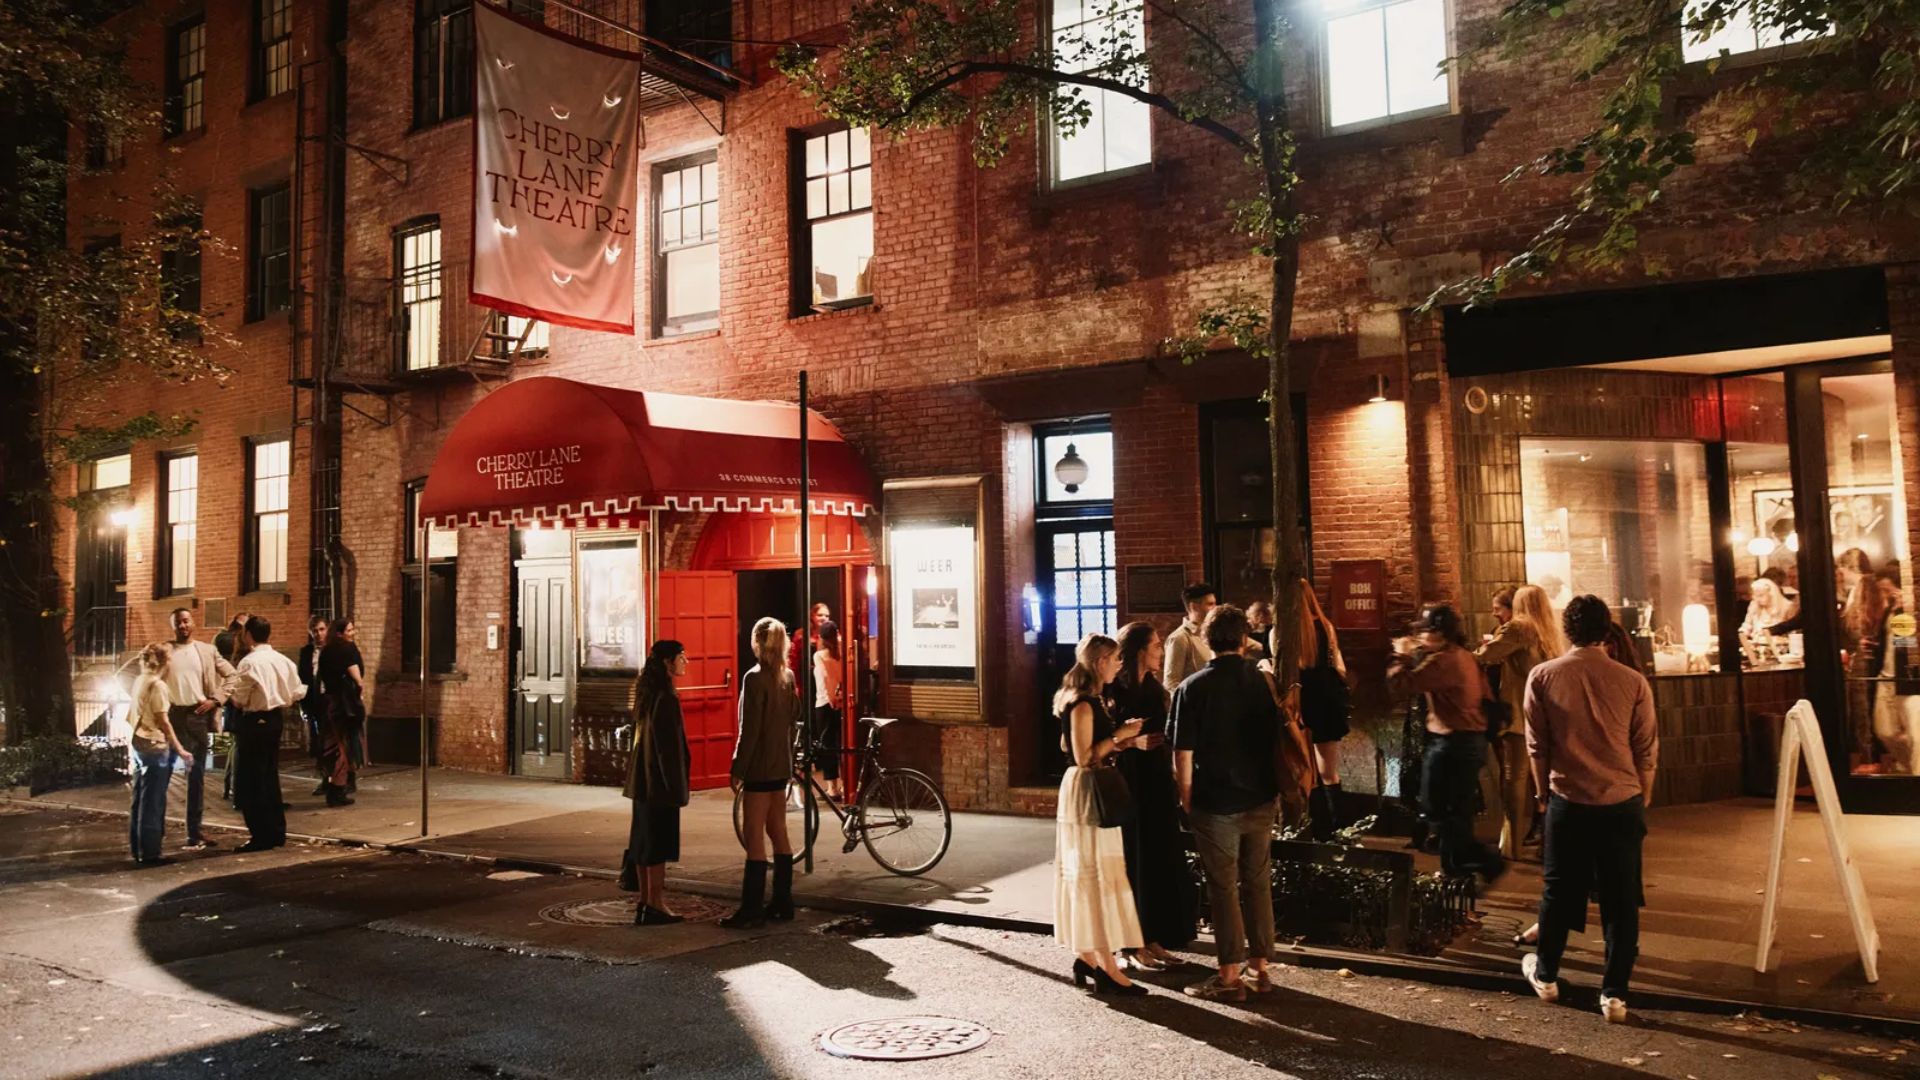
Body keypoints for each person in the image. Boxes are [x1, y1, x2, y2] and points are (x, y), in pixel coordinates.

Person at [1520, 594, 1659, 1024]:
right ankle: (1614, 995)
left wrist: (1544, 795)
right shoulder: (1633, 682)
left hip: (1568, 799)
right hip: (1621, 800)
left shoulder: (1542, 676)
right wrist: (1643, 794)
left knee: (1558, 892)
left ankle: (1546, 976)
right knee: (1621, 901)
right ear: (1606, 632)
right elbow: (1646, 749)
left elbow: (1537, 745)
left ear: (1567, 630)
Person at [1170, 604, 1282, 1003]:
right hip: (1261, 795)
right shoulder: (1263, 683)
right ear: (1244, 639)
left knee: (1223, 888)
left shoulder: (1192, 688)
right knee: (1257, 883)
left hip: (1215, 802)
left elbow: (1182, 753)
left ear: (1206, 638)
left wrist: (1186, 799)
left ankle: (1228, 975)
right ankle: (1260, 969)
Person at [1053, 631, 1147, 996]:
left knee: (1101, 875)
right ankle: (1104, 965)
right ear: (1100, 662)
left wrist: (1123, 740)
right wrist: (1120, 735)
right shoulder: (1081, 703)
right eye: (1116, 658)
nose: (1120, 665)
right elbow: (1082, 755)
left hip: (1092, 789)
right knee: (1094, 877)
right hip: (1086, 791)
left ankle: (1090, 957)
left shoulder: (1092, 700)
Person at [1389, 603, 1505, 885]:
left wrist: (1401, 656)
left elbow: (1402, 685)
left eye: (1425, 631)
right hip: (1468, 741)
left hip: (1451, 743)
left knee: (1436, 808)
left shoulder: (1444, 661)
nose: (1420, 637)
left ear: (1439, 633)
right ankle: (1456, 872)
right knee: (1457, 812)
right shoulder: (1464, 657)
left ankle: (1482, 863)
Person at [1106, 621, 1195, 970]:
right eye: (1156, 645)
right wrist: (1130, 742)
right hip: (1129, 782)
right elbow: (1098, 741)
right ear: (1140, 649)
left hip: (1157, 781)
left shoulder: (1156, 689)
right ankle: (1130, 944)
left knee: (1159, 858)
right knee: (1135, 859)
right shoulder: (1116, 691)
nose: (1161, 650)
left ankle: (1154, 938)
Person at [1475, 584, 1565, 858]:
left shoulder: (1518, 627)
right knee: (1544, 780)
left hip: (1518, 713)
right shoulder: (1547, 631)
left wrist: (1454, 655)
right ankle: (1547, 842)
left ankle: (1511, 844)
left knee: (1514, 778)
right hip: (1545, 714)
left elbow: (1484, 657)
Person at [724, 617, 802, 929]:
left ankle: (752, 907)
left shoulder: (753, 679)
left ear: (757, 643)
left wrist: (737, 767)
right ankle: (783, 901)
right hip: (780, 766)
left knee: (754, 835)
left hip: (758, 767)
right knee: (778, 831)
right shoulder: (788, 677)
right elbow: (795, 714)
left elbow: (749, 730)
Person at [621, 639, 692, 926]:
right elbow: (668, 749)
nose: (686, 662)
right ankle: (656, 904)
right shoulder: (666, 698)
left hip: (641, 782)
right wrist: (678, 788)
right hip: (659, 784)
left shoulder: (647, 693)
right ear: (667, 662)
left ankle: (645, 903)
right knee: (658, 845)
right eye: (682, 657)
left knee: (643, 842)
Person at [228, 616, 306, 852]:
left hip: (253, 720)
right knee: (270, 775)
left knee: (251, 778)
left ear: (248, 634)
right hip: (275, 719)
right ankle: (276, 831)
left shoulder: (249, 663)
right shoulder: (283, 660)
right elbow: (297, 691)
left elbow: (240, 699)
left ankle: (260, 834)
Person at [161, 607, 236, 852]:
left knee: (196, 778)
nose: (182, 626)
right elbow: (131, 672)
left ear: (192, 622)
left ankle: (194, 832)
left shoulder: (206, 650)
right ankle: (155, 830)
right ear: (172, 627)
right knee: (162, 776)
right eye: (177, 623)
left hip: (197, 716)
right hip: (172, 717)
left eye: (185, 621)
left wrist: (216, 699)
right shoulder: (164, 650)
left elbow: (233, 675)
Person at [1294, 579, 1353, 841]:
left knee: (1306, 767)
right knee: (1329, 768)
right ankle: (1339, 826)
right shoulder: (1325, 626)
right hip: (1327, 696)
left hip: (1303, 699)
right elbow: (1339, 666)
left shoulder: (1287, 630)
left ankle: (1318, 826)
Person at [128, 642, 189, 867]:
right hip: (154, 743)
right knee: (154, 800)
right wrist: (180, 748)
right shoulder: (158, 685)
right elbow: (163, 721)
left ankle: (138, 848)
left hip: (137, 741)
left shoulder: (139, 680)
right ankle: (151, 852)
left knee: (139, 798)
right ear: (165, 662)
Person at [318, 618, 366, 807]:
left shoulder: (326, 651)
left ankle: (332, 785)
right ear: (340, 633)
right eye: (349, 630)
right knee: (344, 747)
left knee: (333, 746)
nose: (353, 633)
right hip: (344, 706)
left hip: (330, 702)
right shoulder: (347, 650)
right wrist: (358, 694)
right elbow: (358, 679)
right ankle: (337, 790)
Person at [810, 620, 846, 800]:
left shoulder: (819, 656)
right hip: (840, 701)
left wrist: (830, 697)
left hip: (824, 702)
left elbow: (825, 677)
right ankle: (846, 785)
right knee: (842, 744)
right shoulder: (841, 654)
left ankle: (832, 788)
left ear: (821, 638)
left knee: (828, 745)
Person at [1163, 582, 1218, 689]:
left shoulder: (1214, 632)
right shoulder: (1180, 638)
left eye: (1215, 604)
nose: (1215, 608)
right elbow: (1171, 683)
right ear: (1194, 607)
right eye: (1210, 604)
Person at [298, 615, 330, 795]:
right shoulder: (306, 652)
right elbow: (302, 679)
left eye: (321, 630)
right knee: (318, 743)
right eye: (314, 631)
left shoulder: (333, 650)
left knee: (333, 742)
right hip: (314, 701)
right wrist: (303, 705)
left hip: (331, 700)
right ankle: (325, 777)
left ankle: (340, 778)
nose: (318, 634)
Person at [788, 601, 832, 693]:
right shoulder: (801, 635)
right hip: (806, 681)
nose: (824, 618)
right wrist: (795, 685)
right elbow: (794, 661)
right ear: (812, 616)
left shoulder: (833, 636)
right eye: (820, 615)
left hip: (826, 682)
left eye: (827, 616)